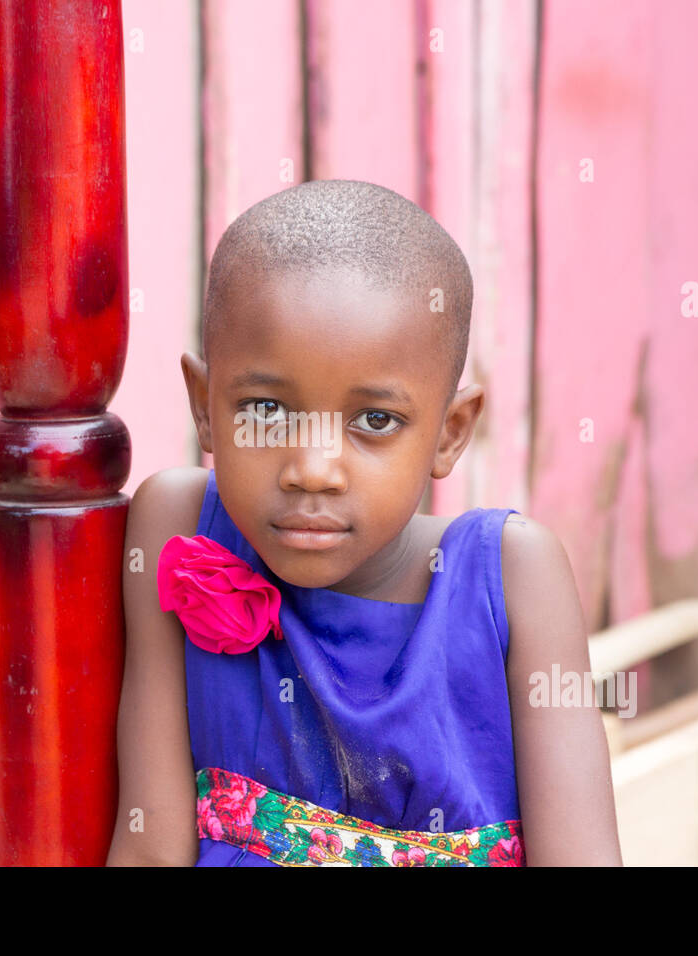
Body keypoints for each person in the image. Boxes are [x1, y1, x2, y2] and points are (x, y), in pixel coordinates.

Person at [106, 180, 622, 866]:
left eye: (374, 421)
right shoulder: (179, 526)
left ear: (449, 431)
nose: (312, 469)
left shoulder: (509, 576)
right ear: (205, 406)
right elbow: (149, 849)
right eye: (265, 410)